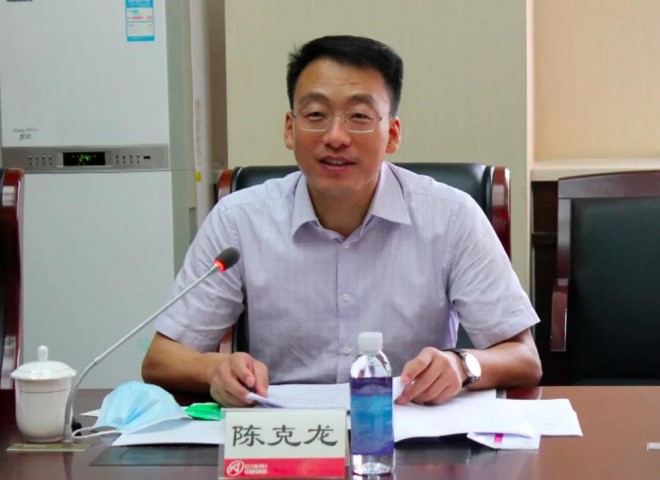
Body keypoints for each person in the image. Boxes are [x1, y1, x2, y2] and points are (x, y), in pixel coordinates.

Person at [142, 35, 542, 407]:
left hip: (408, 431)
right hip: (288, 437)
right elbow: (161, 359)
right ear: (289, 129)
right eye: (316, 114)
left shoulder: (451, 217)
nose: (336, 137)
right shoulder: (239, 220)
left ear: (392, 134)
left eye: (359, 116)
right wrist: (215, 369)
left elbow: (524, 358)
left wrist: (462, 365)